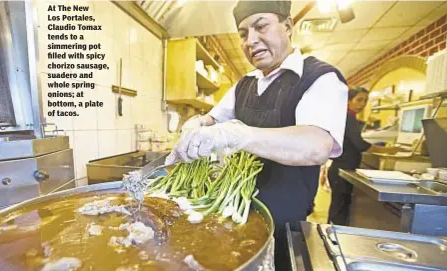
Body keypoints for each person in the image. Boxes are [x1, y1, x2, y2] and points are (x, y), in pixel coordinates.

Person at [166, 1, 349, 269]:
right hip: (231, 215)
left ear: (287, 26)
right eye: (243, 33)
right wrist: (195, 124)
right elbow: (211, 119)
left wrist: (239, 136)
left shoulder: (320, 78)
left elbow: (316, 145)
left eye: (261, 26)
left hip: (284, 224)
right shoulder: (245, 84)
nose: (251, 41)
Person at [327, 87, 399, 226]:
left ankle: (332, 233)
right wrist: (388, 150)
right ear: (348, 100)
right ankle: (333, 236)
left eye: (365, 101)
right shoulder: (348, 117)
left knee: (340, 205)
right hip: (342, 169)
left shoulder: (348, 116)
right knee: (340, 207)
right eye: (359, 100)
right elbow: (359, 144)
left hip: (341, 168)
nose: (362, 104)